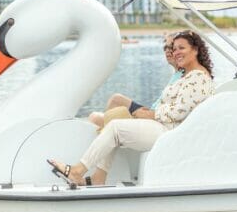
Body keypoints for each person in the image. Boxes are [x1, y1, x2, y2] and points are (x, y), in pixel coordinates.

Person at [48, 30, 215, 187]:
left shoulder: (198, 77)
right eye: (174, 48)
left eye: (181, 48)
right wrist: (150, 114)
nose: (176, 52)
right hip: (165, 126)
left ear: (196, 50)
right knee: (114, 124)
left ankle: (77, 171)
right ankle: (98, 177)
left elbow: (177, 112)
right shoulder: (187, 74)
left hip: (171, 132)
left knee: (115, 127)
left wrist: (151, 114)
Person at [88, 32, 183, 130]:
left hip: (153, 118)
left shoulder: (185, 76)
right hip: (151, 112)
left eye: (171, 47)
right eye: (165, 47)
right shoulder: (176, 74)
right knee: (116, 99)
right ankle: (107, 132)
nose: (167, 51)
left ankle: (107, 133)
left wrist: (148, 114)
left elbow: (175, 110)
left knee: (95, 118)